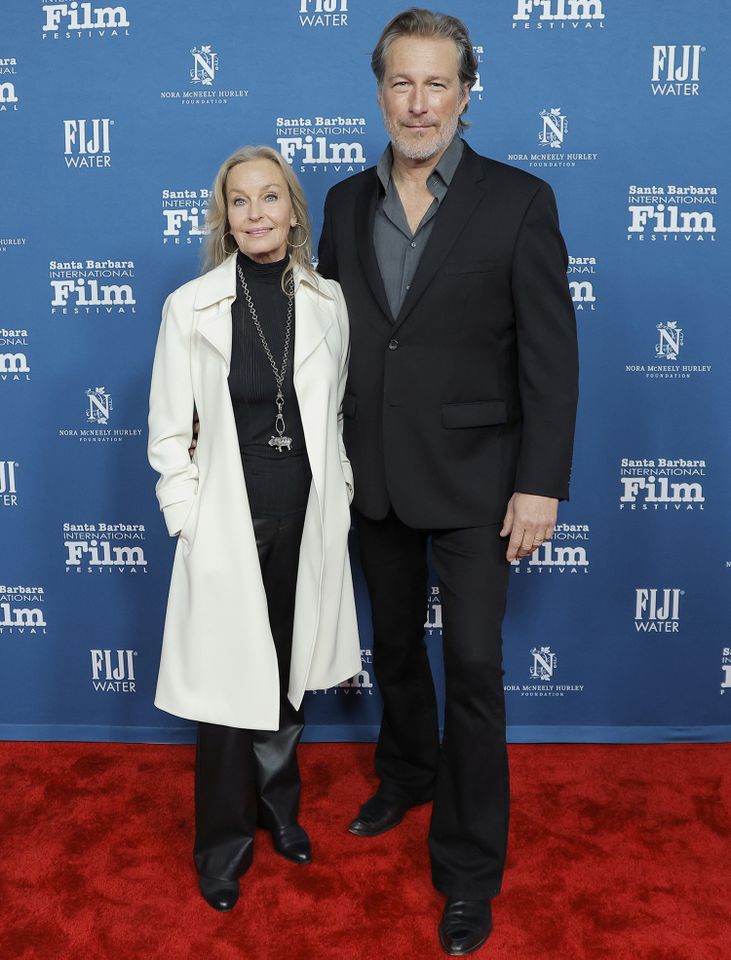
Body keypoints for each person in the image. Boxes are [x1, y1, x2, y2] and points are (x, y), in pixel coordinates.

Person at [317, 9, 578, 956]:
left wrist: (540, 481)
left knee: (470, 666)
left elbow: (551, 356)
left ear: (467, 93)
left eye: (437, 84)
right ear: (379, 91)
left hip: (481, 479)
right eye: (400, 83)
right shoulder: (343, 204)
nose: (417, 103)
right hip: (371, 473)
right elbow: (331, 343)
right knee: (392, 646)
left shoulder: (519, 200)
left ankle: (467, 868)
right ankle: (405, 773)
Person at [148, 145, 361, 912]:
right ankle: (223, 846)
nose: (256, 214)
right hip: (228, 524)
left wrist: (336, 491)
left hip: (306, 516)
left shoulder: (329, 302)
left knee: (288, 676)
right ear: (225, 216)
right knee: (227, 688)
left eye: (270, 198)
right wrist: (189, 523)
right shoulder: (191, 306)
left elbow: (334, 414)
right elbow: (169, 433)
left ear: (293, 210)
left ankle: (280, 811)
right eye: (240, 201)